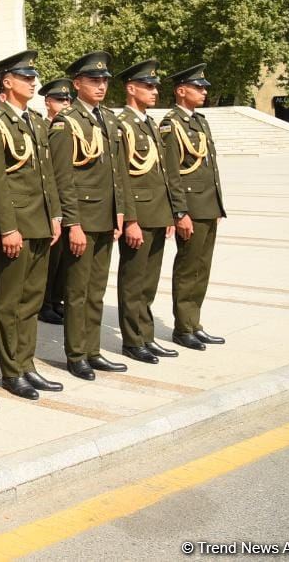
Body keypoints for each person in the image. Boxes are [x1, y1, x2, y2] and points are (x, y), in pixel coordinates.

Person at [0, 51, 64, 400]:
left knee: (31, 300)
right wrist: (7, 227)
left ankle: (27, 363)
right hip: (16, 224)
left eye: (34, 77)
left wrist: (56, 215)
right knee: (8, 301)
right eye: (25, 77)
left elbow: (48, 176)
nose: (33, 82)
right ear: (7, 82)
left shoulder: (37, 121)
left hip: (41, 223)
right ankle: (11, 370)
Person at [48, 52, 127, 381]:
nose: (101, 86)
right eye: (94, 80)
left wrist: (120, 212)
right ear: (77, 84)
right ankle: (77, 354)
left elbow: (117, 172)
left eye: (105, 80)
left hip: (106, 218)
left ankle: (93, 349)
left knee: (96, 290)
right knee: (77, 292)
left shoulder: (108, 119)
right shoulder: (67, 123)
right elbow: (62, 177)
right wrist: (73, 224)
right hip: (82, 218)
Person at [115, 59, 182, 364]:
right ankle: (132, 340)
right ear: (131, 89)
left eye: (155, 86)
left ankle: (146, 334)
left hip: (156, 212)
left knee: (149, 282)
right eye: (148, 86)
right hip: (138, 215)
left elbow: (161, 172)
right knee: (133, 280)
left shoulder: (149, 123)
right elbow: (122, 177)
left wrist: (169, 212)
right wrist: (130, 219)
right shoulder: (122, 126)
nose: (155, 91)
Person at [161, 63, 227, 351]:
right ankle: (183, 327)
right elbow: (171, 173)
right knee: (189, 268)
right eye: (198, 87)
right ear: (181, 90)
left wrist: (217, 205)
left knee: (203, 267)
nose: (203, 92)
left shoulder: (200, 121)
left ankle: (194, 323)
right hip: (190, 207)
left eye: (203, 87)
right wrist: (180, 212)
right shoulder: (170, 124)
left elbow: (209, 168)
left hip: (207, 205)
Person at [37, 78, 74, 324]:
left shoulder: (70, 125)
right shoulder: (42, 125)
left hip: (65, 195)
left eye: (68, 99)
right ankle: (45, 302)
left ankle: (56, 299)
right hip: (48, 198)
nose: (66, 103)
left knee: (63, 256)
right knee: (49, 257)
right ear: (48, 102)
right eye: (61, 99)